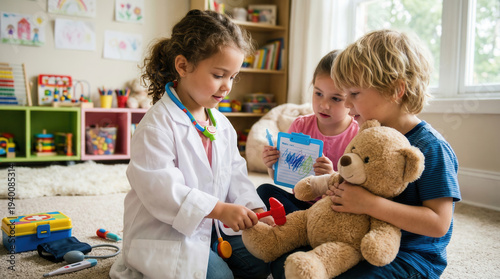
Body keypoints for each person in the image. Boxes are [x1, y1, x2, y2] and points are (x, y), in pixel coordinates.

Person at [109, 10, 270, 279]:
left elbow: (236, 176)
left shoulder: (221, 124)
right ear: (182, 66)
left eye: (233, 77)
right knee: (221, 277)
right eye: (219, 75)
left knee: (261, 263)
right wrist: (218, 209)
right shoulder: (155, 125)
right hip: (166, 235)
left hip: (213, 229)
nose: (228, 86)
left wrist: (253, 208)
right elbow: (162, 191)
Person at [328, 29, 461, 278]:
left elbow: (438, 223)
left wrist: (369, 204)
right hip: (362, 240)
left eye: (354, 94)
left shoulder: (431, 147)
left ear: (395, 90)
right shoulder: (369, 135)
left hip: (411, 257)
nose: (346, 104)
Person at [257, 50, 359, 279]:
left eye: (335, 98)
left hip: (334, 212)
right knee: (263, 191)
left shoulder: (357, 133)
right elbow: (284, 177)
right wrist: (271, 164)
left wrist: (333, 175)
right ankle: (300, 235)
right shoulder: (300, 125)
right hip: (301, 206)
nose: (324, 105)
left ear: (351, 100)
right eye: (318, 93)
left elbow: (360, 184)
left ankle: (307, 240)